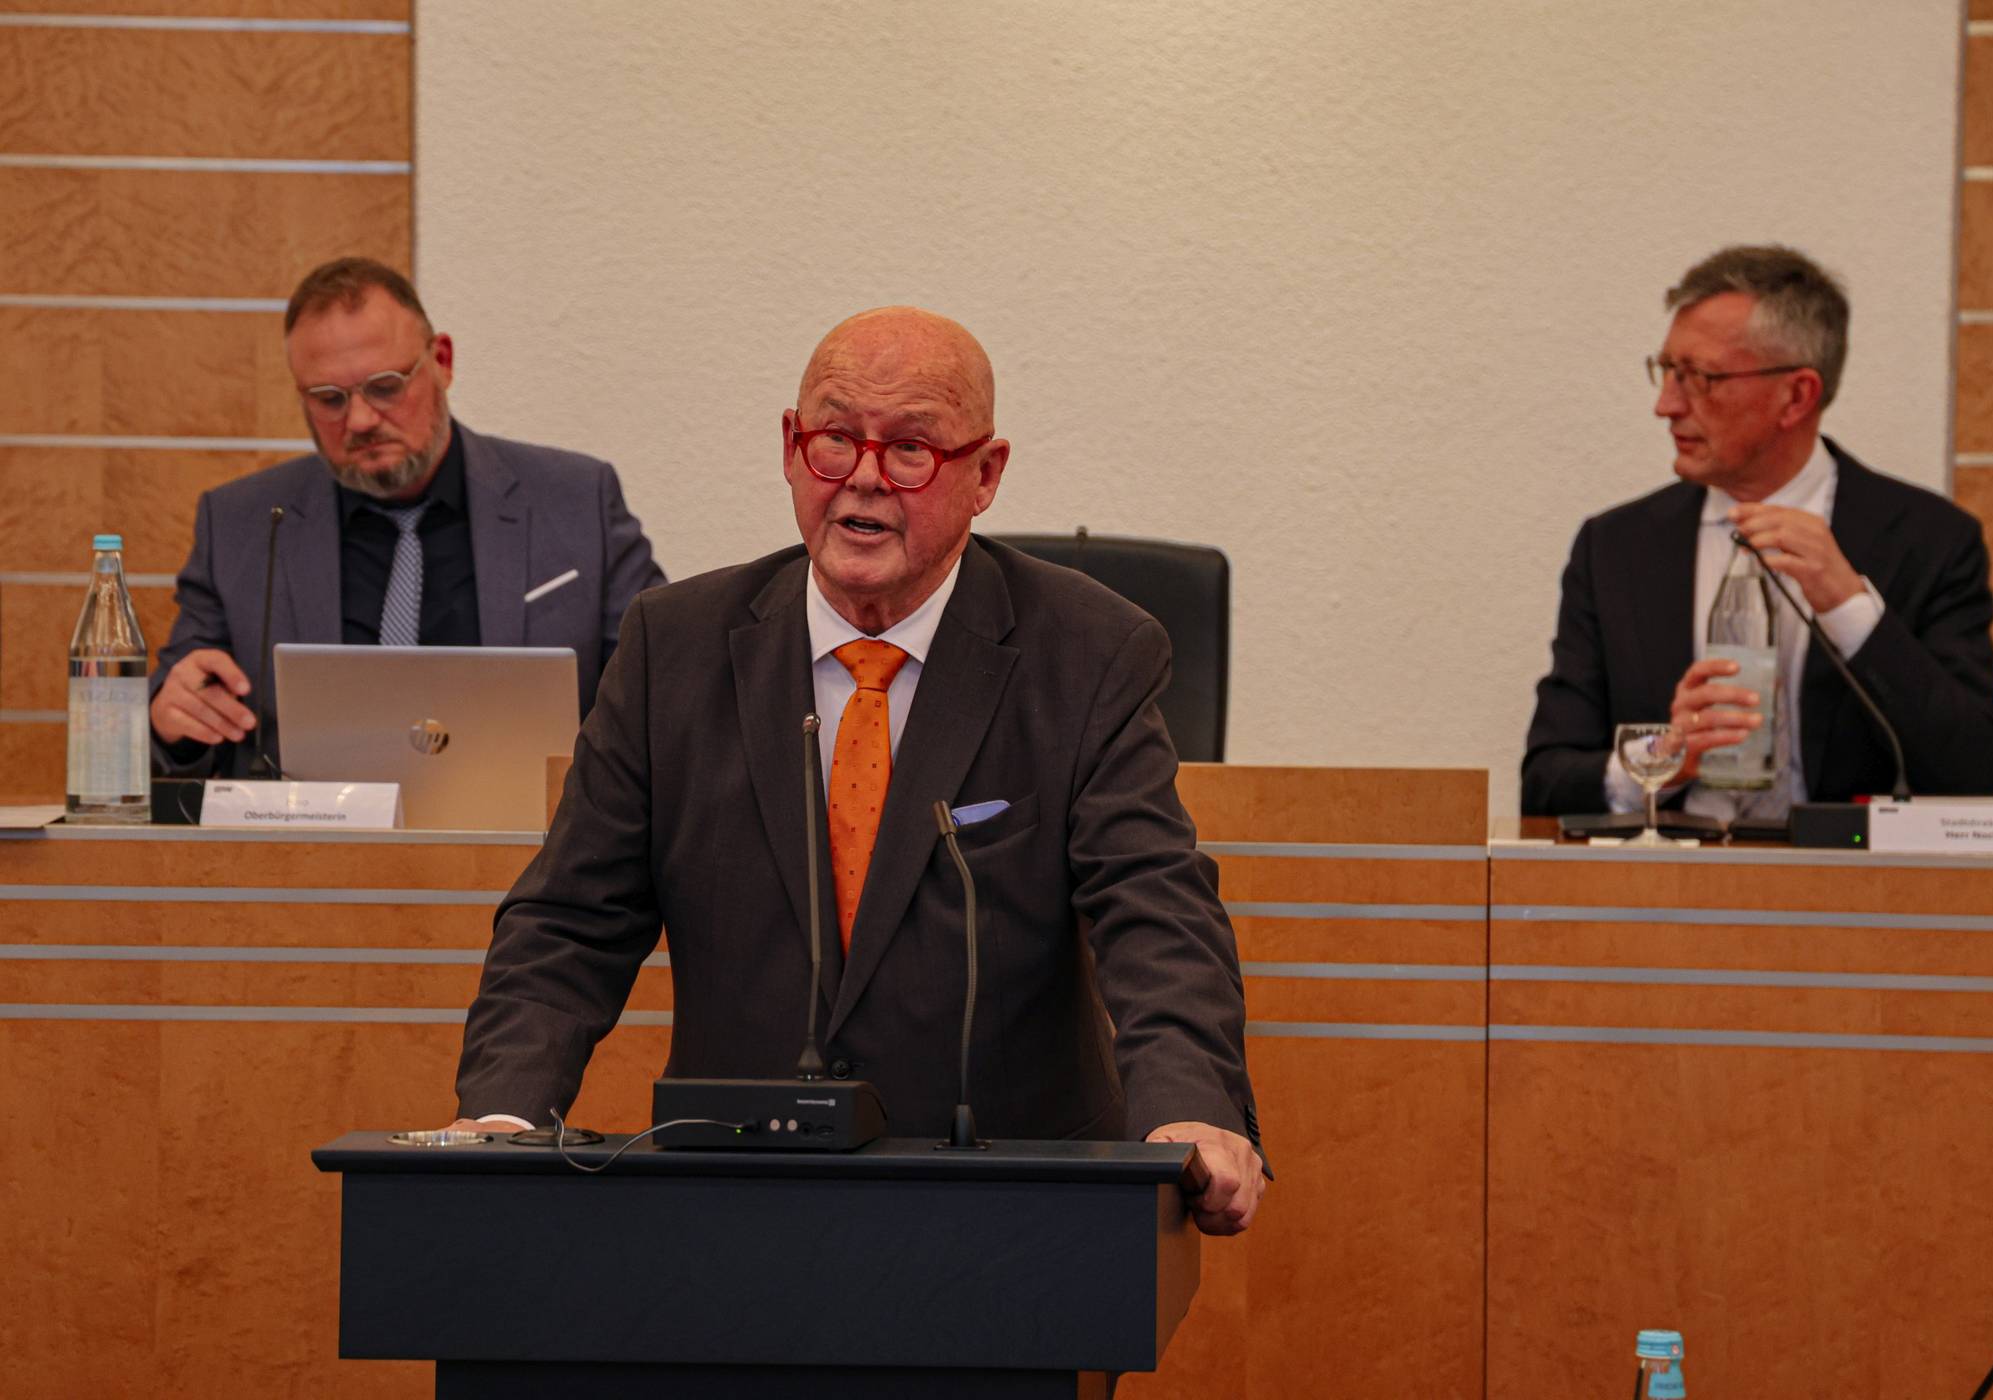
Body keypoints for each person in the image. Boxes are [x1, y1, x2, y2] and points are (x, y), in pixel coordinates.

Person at [449, 306, 1265, 1234]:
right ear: (791, 449)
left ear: (985, 474)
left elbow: (1155, 910)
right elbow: (568, 923)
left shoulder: (1090, 653)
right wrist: (504, 1118)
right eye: (835, 439)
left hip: (1015, 1211)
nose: (863, 481)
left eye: (911, 449)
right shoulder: (671, 650)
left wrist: (1188, 1106)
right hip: (734, 1206)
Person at [1522, 245, 1993, 819]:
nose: (1665, 405)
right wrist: (1663, 758)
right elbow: (1545, 784)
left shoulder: (1930, 540)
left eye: (1699, 377)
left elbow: (1972, 772)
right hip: (1666, 893)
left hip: (1849, 895)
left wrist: (1852, 609)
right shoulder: (1617, 548)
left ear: (1796, 395)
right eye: (1667, 370)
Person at [147, 257, 664, 777]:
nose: (361, 420)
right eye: (329, 399)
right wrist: (176, 723)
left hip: (526, 841)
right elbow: (177, 726)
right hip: (306, 846)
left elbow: (661, 687)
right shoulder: (245, 523)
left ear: (441, 360)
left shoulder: (575, 501)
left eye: (386, 386)